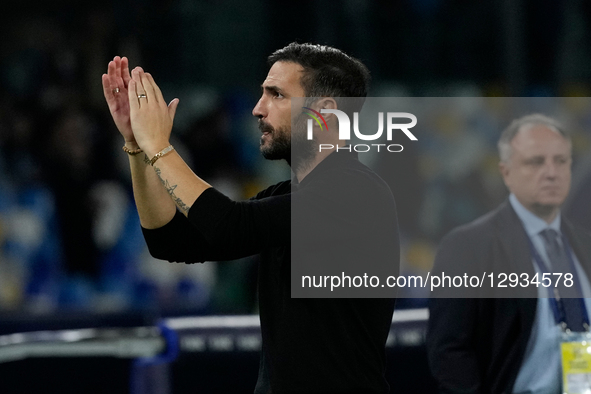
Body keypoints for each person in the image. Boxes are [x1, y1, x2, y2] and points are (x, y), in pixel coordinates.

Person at [102, 43, 399, 393]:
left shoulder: (357, 193)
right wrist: (137, 146)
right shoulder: (283, 198)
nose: (258, 109)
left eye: (276, 95)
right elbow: (168, 240)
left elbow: (227, 225)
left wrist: (159, 146)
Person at [426, 114, 591, 394]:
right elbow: (450, 352)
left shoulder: (585, 245)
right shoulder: (467, 245)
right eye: (536, 162)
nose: (551, 172)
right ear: (506, 172)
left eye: (560, 161)